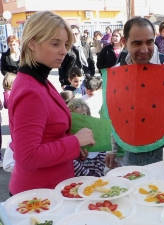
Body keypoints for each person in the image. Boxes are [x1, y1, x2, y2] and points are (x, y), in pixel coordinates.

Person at [8, 11, 95, 195]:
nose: (63, 50)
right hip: (40, 196)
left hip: (50, 190)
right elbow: (28, 156)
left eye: (65, 44)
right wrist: (74, 142)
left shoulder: (38, 81)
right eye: (55, 43)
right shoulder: (31, 90)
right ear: (32, 43)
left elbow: (48, 136)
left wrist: (72, 148)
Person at [105, 17, 164, 168]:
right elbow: (113, 113)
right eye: (137, 43)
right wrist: (111, 148)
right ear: (124, 41)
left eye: (149, 42)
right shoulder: (116, 72)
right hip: (130, 152)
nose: (144, 49)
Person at [68, 99, 105, 177]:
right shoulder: (66, 140)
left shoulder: (98, 138)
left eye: (83, 116)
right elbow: (68, 163)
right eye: (75, 118)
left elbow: (100, 168)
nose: (79, 121)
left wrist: (92, 178)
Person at [59, 24, 95, 89]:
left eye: (76, 33)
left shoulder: (85, 45)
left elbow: (91, 61)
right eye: (72, 34)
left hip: (85, 79)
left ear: (79, 34)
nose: (75, 36)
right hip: (71, 80)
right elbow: (61, 66)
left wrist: (91, 74)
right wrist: (63, 82)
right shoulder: (66, 47)